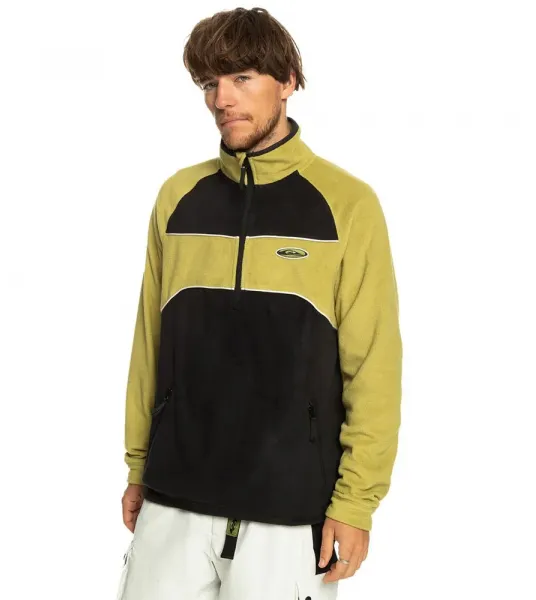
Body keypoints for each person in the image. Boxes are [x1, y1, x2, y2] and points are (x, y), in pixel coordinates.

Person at [116, 7, 403, 600]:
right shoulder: (179, 197)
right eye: (209, 83)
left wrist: (356, 503)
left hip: (287, 514)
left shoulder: (347, 204)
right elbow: (150, 345)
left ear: (288, 81)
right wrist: (138, 466)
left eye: (242, 78)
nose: (222, 99)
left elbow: (373, 366)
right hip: (173, 501)